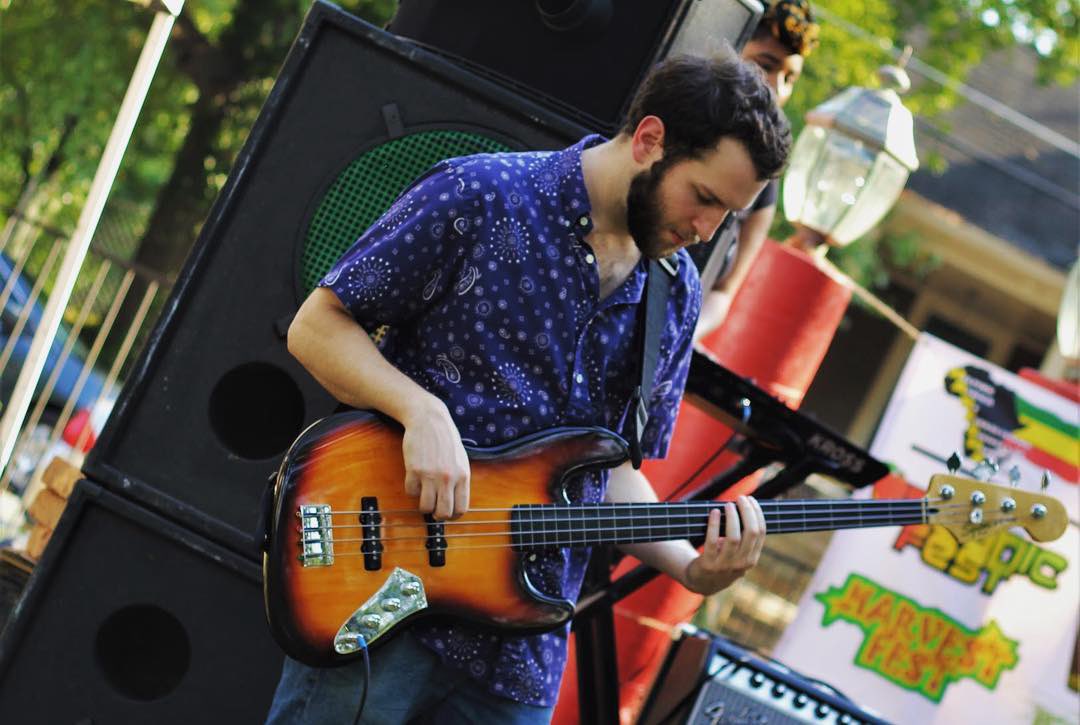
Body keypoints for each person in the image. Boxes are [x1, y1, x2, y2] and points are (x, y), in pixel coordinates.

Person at [266, 49, 791, 724]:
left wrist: (693, 569)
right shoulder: (481, 195)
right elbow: (317, 326)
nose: (706, 230)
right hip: (383, 601)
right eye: (705, 197)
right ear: (651, 139)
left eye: (730, 216)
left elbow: (613, 472)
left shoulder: (677, 293)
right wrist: (417, 409)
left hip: (519, 660)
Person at [690, 0, 819, 340]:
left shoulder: (766, 182)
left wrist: (681, 337)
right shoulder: (673, 118)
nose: (777, 88)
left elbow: (724, 292)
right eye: (766, 65)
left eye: (790, 78)